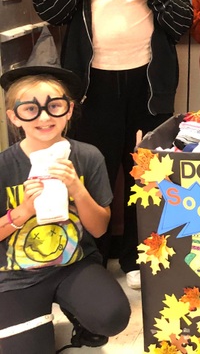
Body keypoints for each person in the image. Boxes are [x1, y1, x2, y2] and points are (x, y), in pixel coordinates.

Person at [32, 0, 193, 289]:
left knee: (144, 170)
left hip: (148, 82)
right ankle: (91, 258)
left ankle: (137, 256)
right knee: (94, 169)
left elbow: (182, 25)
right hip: (92, 84)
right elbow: (51, 11)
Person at [0, 65, 130, 353]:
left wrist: (77, 189)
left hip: (75, 262)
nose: (45, 117)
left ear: (69, 111)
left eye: (54, 106)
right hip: (18, 274)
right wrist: (22, 211)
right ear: (14, 117)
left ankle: (80, 316)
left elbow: (98, 228)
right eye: (31, 109)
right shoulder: (4, 166)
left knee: (112, 316)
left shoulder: (87, 156)